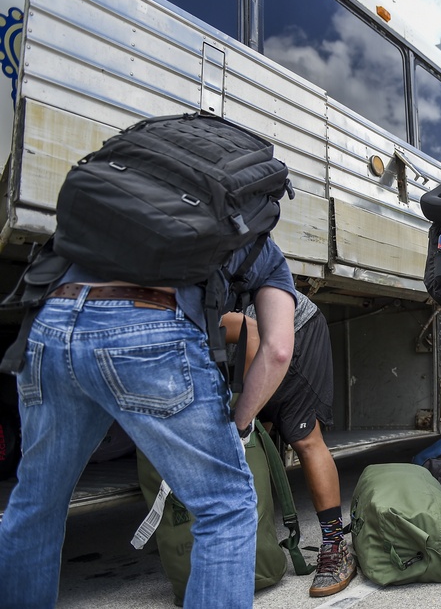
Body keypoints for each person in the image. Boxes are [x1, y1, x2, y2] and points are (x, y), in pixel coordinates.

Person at [0, 239, 296, 609]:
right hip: (151, 324)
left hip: (52, 320)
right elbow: (278, 348)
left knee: (35, 505)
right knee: (226, 506)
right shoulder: (252, 231)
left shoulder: (116, 188)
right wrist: (239, 424)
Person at [222, 290, 355, 597]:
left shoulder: (188, 315)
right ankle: (256, 544)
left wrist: (245, 414)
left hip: (292, 331)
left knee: (303, 438)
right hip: (254, 346)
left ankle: (335, 546)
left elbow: (251, 334)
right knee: (254, 439)